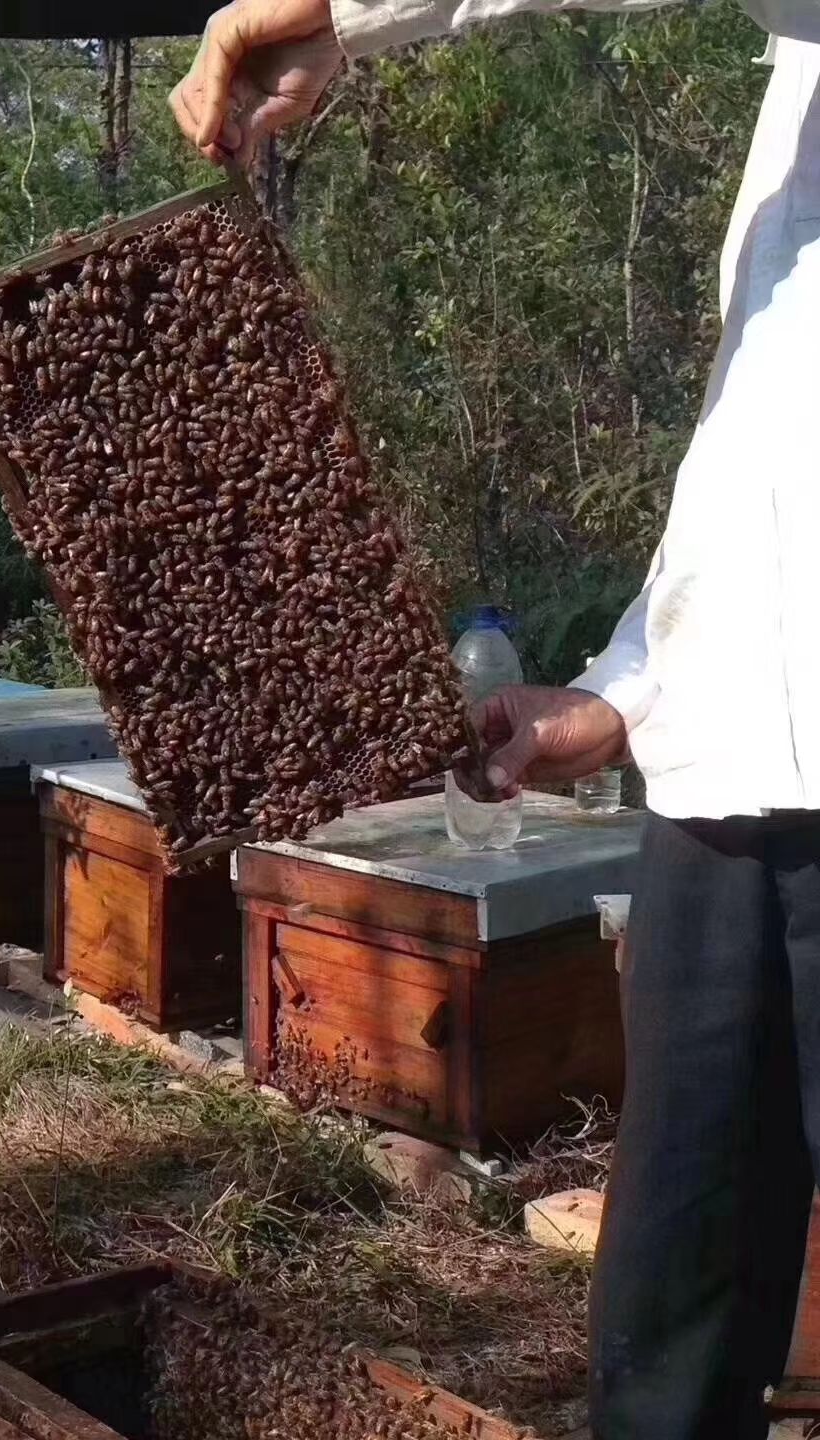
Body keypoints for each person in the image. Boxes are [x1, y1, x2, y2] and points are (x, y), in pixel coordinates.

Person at [171, 2, 820, 1437]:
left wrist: (344, 12)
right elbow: (769, 450)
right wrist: (626, 690)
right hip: (724, 809)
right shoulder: (799, 104)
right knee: (669, 1310)